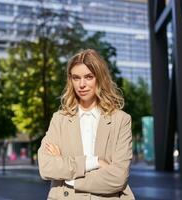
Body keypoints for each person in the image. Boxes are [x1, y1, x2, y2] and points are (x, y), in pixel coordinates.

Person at [38, 49, 135, 199]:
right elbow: (46, 167)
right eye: (76, 78)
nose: (81, 84)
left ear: (100, 78)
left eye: (88, 77)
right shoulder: (59, 119)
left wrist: (70, 177)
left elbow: (118, 177)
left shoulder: (121, 120)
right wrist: (94, 162)